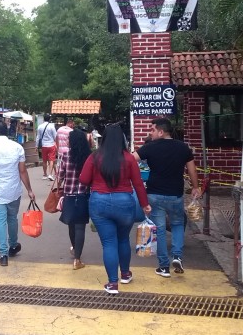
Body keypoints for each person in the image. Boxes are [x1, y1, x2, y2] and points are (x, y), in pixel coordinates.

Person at [80, 123, 149, 294]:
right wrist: (144, 204)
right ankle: (125, 274)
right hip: (125, 203)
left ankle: (112, 283)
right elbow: (138, 183)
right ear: (122, 140)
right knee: (123, 239)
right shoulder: (128, 158)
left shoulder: (95, 157)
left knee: (109, 243)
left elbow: (83, 179)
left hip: (99, 203)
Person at [134, 118, 201, 278]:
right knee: (178, 224)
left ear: (161, 131)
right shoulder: (183, 147)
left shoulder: (149, 148)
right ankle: (177, 256)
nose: (151, 132)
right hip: (176, 194)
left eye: (152, 129)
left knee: (161, 230)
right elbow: (192, 169)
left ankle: (164, 267)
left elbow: (131, 159)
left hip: (155, 194)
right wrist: (195, 187)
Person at [0, 120, 36, 266]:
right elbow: (22, 171)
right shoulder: (17, 147)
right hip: (13, 190)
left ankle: (3, 255)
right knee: (12, 218)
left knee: (0, 220)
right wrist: (29, 190)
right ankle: (14, 245)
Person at [56, 128, 91, 269]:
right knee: (80, 227)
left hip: (69, 196)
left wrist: (60, 185)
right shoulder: (89, 157)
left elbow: (60, 177)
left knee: (71, 225)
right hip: (83, 196)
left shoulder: (65, 156)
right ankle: (77, 259)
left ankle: (75, 250)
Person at [36, 113, 57, 180]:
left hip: (44, 145)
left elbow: (38, 137)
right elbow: (55, 136)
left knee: (44, 160)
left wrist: (36, 146)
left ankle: (45, 174)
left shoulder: (40, 126)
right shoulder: (52, 127)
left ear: (43, 119)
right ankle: (50, 174)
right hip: (51, 145)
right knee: (51, 160)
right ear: (49, 119)